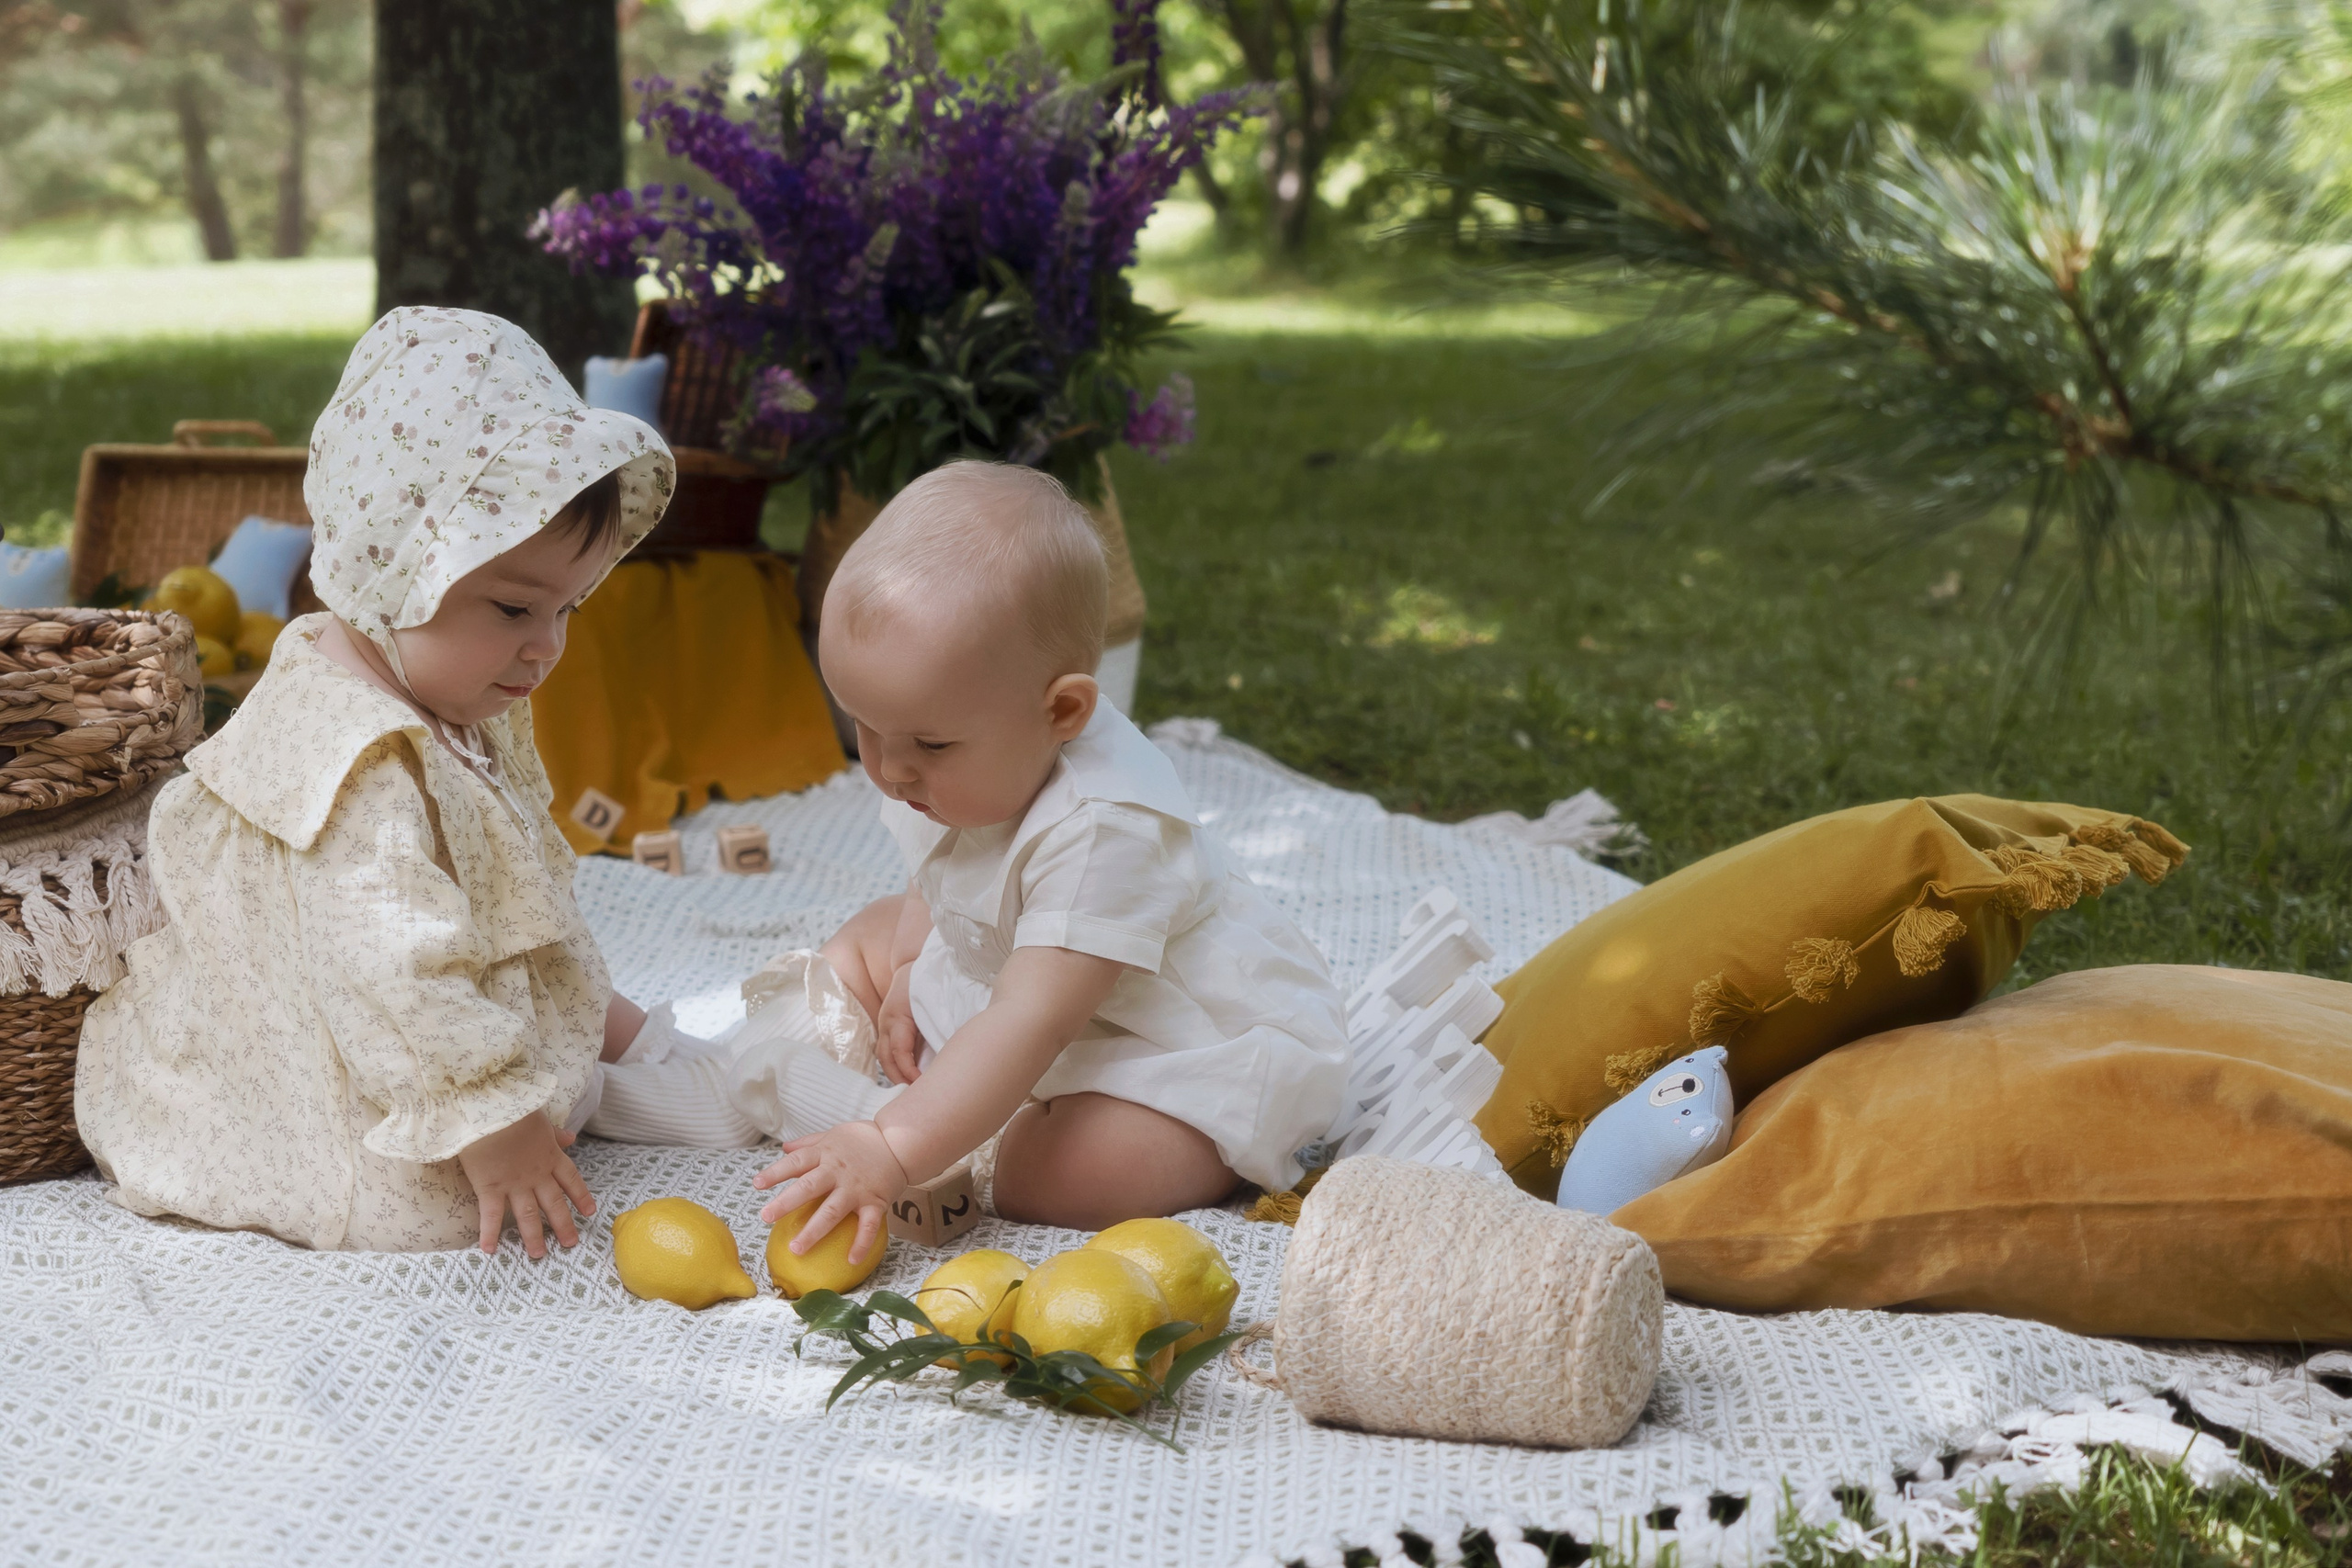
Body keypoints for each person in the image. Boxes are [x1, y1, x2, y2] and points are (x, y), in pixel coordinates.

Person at [589, 460, 1349, 1262]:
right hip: (1015, 976)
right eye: (863, 726)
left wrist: (895, 1146)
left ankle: (918, 1125)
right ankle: (729, 1068)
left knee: (1072, 1174)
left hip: (1156, 1041)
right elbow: (940, 865)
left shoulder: (1108, 831)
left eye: (926, 743)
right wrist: (914, 958)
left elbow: (1034, 1019)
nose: (887, 768)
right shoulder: (945, 750)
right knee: (867, 940)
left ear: (1061, 711)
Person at [74, 306, 684, 1257]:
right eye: (517, 607)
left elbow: (502, 900)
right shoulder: (356, 760)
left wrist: (605, 1021)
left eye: (568, 607)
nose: (547, 646)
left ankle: (591, 1075)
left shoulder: (447, 682)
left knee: (581, 1068)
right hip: (349, 1087)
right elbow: (389, 967)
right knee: (436, 1193)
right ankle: (487, 1126)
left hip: (419, 1021)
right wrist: (494, 1121)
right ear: (389, 570)